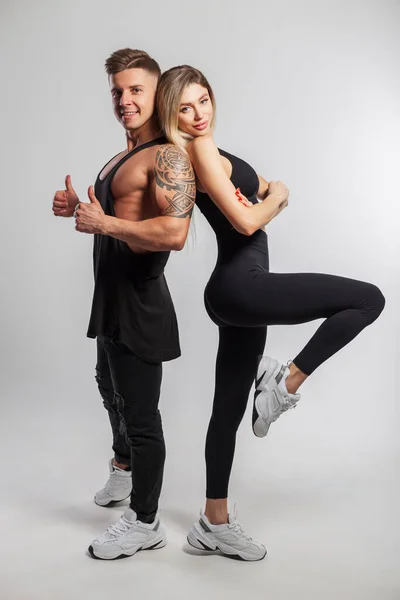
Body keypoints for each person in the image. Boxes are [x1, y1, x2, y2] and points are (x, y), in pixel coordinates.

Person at [156, 65, 385, 561]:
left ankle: (211, 522)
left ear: (213, 98)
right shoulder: (196, 152)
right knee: (368, 298)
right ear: (171, 115)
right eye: (184, 108)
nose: (197, 115)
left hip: (235, 292)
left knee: (228, 410)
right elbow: (248, 217)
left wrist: (267, 194)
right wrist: (275, 198)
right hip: (244, 286)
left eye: (202, 101)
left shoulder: (213, 151)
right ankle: (284, 384)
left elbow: (260, 189)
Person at [52, 49, 195, 560]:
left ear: (157, 93)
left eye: (136, 90)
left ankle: (146, 520)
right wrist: (80, 208)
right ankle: (124, 468)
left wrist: (105, 222)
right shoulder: (121, 154)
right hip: (109, 294)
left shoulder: (168, 156)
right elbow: (115, 210)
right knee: (106, 385)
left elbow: (175, 233)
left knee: (141, 416)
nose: (125, 100)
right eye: (117, 91)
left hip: (140, 301)